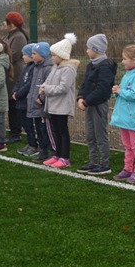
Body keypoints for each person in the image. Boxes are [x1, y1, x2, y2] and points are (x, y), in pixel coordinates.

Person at [76, 34, 116, 175]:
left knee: (100, 135)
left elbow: (102, 89)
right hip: (89, 105)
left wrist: (87, 102)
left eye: (88, 48)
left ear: (95, 49)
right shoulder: (91, 65)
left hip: (98, 106)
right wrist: (80, 97)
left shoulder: (105, 67)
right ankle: (93, 161)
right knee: (90, 134)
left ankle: (104, 164)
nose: (87, 51)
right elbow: (85, 84)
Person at [40, 33, 79, 169]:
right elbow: (49, 81)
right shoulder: (55, 67)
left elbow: (63, 88)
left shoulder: (68, 69)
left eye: (54, 55)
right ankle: (57, 154)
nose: (52, 58)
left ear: (61, 55)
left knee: (63, 131)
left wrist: (47, 90)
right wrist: (43, 87)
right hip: (53, 105)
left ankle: (65, 157)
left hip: (62, 105)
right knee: (56, 130)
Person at [111, 45, 135, 184]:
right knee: (127, 145)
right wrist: (117, 92)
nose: (122, 61)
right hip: (124, 116)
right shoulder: (128, 74)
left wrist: (120, 91)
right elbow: (124, 93)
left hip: (133, 117)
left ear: (134, 60)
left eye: (125, 59)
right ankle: (127, 168)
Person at [2, 11, 28, 144]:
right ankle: (14, 131)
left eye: (6, 21)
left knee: (14, 104)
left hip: (14, 74)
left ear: (11, 24)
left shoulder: (19, 37)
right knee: (11, 104)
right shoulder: (10, 35)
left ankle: (16, 133)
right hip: (8, 73)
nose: (3, 23)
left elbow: (14, 55)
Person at [27, 42, 54, 163]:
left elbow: (48, 85)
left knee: (45, 130)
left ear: (42, 54)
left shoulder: (48, 68)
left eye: (34, 53)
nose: (32, 56)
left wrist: (41, 99)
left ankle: (51, 151)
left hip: (42, 107)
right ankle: (42, 151)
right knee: (38, 129)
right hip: (35, 105)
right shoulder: (36, 67)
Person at [12, 43, 39, 155]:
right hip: (21, 101)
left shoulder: (34, 68)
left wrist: (19, 94)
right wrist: (15, 91)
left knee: (29, 124)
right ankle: (30, 143)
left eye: (24, 55)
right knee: (25, 124)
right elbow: (19, 81)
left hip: (27, 100)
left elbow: (29, 84)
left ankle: (34, 145)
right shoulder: (25, 67)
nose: (23, 57)